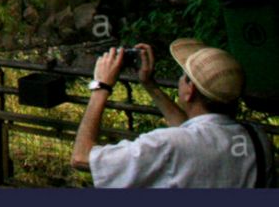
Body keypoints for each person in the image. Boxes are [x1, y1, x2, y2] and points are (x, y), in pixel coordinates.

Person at [71, 39, 275, 187]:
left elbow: (81, 158)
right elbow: (195, 133)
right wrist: (150, 85)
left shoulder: (166, 145)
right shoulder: (257, 138)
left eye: (183, 76)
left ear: (190, 91)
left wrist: (101, 87)